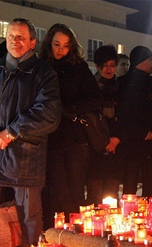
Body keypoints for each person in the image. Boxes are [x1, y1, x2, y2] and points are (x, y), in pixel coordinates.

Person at [0, 18, 61, 247]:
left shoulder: (43, 74)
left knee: (28, 217)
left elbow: (48, 113)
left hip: (25, 158)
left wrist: (10, 133)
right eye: (10, 36)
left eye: (21, 37)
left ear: (32, 42)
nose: (15, 41)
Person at [37, 23, 102, 228]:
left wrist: (69, 108)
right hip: (51, 138)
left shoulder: (78, 68)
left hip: (75, 138)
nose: (60, 50)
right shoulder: (41, 67)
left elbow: (95, 99)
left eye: (65, 46)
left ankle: (75, 233)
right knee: (58, 190)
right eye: (57, 44)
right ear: (49, 43)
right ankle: (59, 232)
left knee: (75, 190)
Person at [115, 46, 152, 197]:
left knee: (133, 189)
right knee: (144, 188)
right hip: (138, 142)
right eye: (150, 59)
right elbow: (124, 114)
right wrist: (151, 130)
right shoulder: (129, 84)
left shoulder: (123, 82)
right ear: (142, 61)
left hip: (137, 142)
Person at [86, 45, 123, 205]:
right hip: (94, 147)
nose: (109, 69)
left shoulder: (120, 88)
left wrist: (116, 138)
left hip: (115, 147)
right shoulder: (90, 88)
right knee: (94, 193)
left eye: (112, 65)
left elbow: (124, 116)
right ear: (97, 66)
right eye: (105, 65)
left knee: (112, 195)